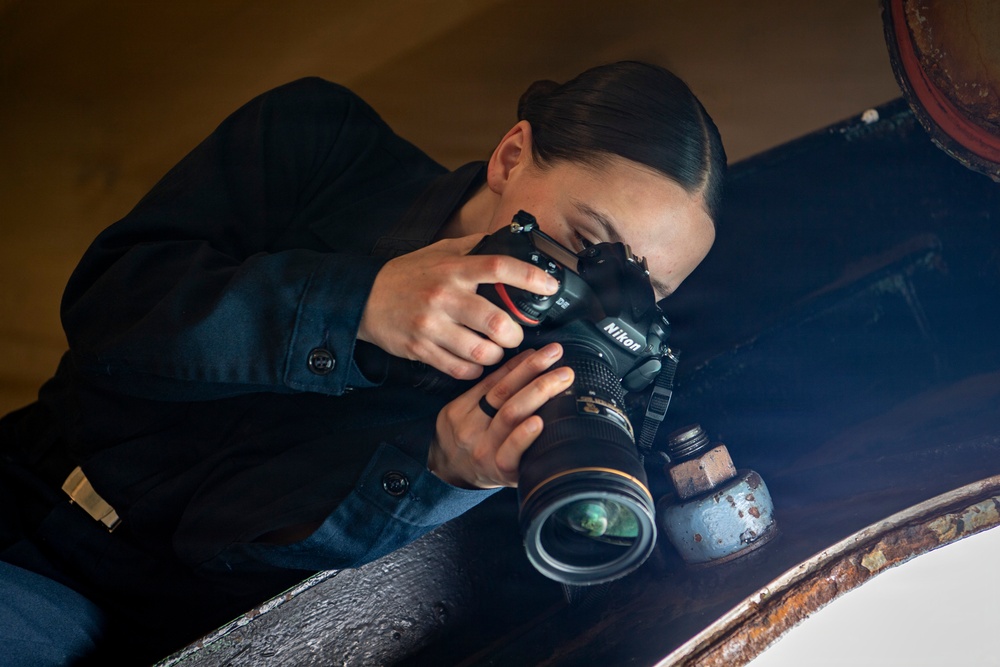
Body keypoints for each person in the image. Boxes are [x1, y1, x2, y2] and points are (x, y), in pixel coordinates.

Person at [0, 60, 725, 664]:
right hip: (28, 481)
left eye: (642, 292)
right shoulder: (320, 141)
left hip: (188, 632)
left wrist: (439, 468)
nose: (594, 304)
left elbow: (223, 537)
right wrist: (360, 306)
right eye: (584, 246)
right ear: (510, 155)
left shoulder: (553, 421)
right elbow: (107, 311)